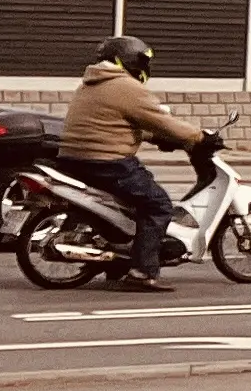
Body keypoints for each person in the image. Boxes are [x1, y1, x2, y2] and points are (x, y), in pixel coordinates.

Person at [61, 34, 203, 291]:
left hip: (76, 158)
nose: (145, 67)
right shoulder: (125, 86)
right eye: (141, 61)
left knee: (127, 207)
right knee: (158, 204)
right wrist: (197, 136)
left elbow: (116, 124)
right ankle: (142, 272)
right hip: (107, 162)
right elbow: (160, 120)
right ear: (126, 60)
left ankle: (117, 263)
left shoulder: (91, 83)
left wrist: (154, 139)